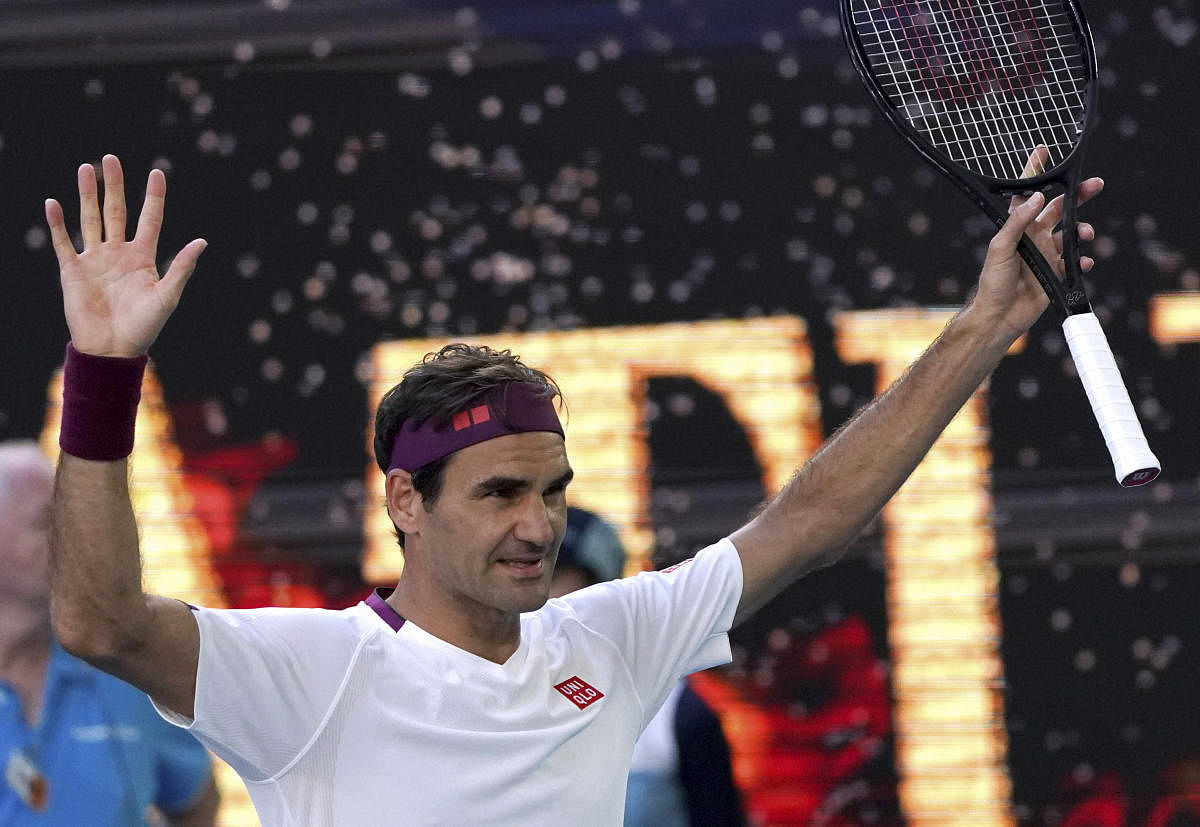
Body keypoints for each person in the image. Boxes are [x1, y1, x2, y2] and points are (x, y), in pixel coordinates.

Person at [41, 150, 1100, 824]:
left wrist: (986, 324)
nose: (539, 523)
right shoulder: (308, 670)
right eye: (501, 493)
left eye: (553, 490)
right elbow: (97, 619)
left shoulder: (611, 638)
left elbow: (814, 517)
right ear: (406, 504)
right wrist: (101, 373)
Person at [0, 440, 219, 826]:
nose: (67, 543)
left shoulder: (124, 664)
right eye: (43, 523)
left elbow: (196, 797)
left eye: (65, 524)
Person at [549, 507, 744, 827]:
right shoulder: (480, 692)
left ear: (601, 584)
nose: (536, 593)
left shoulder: (675, 712)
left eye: (554, 573)